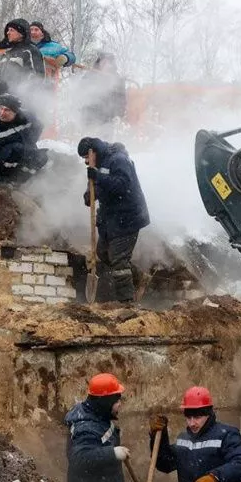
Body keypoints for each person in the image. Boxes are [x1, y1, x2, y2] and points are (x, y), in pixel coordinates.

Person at [148, 386, 241, 482]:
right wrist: (159, 437)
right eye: (188, 417)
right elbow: (164, 464)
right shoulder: (184, 439)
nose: (192, 423)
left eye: (197, 417)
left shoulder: (227, 435)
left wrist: (214, 478)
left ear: (208, 414)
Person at [78, 137, 150, 301]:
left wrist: (98, 177)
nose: (86, 161)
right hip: (111, 219)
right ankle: (138, 279)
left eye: (86, 157)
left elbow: (122, 185)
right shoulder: (99, 165)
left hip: (128, 217)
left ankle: (127, 303)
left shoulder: (119, 160)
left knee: (118, 260)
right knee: (103, 253)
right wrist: (89, 195)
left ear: (94, 152)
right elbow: (98, 186)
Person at [64, 373, 131, 482]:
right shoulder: (86, 427)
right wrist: (112, 453)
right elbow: (79, 458)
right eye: (116, 400)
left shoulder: (98, 416)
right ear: (105, 402)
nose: (120, 404)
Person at [0, 93, 46, 193]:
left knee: (41, 157)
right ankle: (5, 182)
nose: (2, 113)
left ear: (15, 112)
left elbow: (38, 126)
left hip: (18, 157)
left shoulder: (25, 118)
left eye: (7, 110)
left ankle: (19, 182)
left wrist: (30, 143)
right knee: (15, 148)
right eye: (1, 108)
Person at [0, 18, 45, 103]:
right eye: (8, 30)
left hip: (23, 103)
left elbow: (38, 77)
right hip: (2, 103)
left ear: (21, 34)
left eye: (11, 30)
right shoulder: (7, 53)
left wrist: (22, 97)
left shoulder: (31, 51)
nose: (8, 33)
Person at [84, 52, 127, 126]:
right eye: (104, 62)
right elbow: (82, 93)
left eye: (109, 62)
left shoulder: (117, 79)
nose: (106, 65)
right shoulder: (90, 75)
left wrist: (119, 114)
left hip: (108, 118)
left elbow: (122, 99)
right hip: (90, 117)